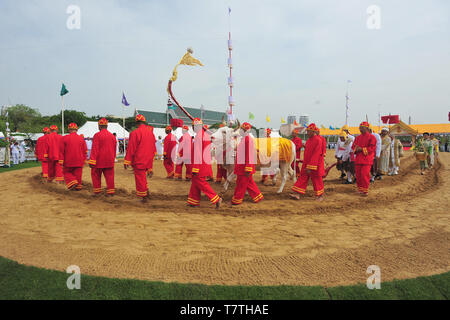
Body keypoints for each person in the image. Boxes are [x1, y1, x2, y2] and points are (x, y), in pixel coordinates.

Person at [187, 118, 222, 208]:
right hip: (204, 163)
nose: (193, 127)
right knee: (195, 182)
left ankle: (216, 198)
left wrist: (195, 167)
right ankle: (193, 201)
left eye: (193, 126)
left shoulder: (199, 136)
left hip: (199, 164)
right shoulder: (204, 135)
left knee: (200, 182)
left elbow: (197, 153)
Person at [124, 114, 156, 202]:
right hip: (148, 159)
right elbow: (153, 147)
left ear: (137, 123)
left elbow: (131, 148)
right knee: (143, 178)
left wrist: (127, 161)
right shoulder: (151, 133)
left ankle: (144, 196)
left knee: (140, 178)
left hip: (139, 159)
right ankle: (146, 191)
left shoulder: (135, 133)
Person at [289, 123, 325, 201]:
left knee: (317, 179)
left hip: (316, 164)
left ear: (313, 132)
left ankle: (320, 196)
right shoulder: (308, 140)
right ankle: (297, 193)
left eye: (308, 131)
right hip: (307, 163)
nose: (307, 133)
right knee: (302, 177)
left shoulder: (318, 140)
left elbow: (316, 154)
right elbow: (307, 153)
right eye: (307, 131)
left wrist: (311, 167)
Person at [232, 122, 264, 205]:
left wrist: (248, 169)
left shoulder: (248, 140)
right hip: (241, 166)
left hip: (244, 168)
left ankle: (237, 200)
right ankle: (258, 196)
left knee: (241, 184)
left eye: (242, 130)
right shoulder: (244, 139)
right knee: (249, 183)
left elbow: (249, 155)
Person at [88, 118, 117, 196]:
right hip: (109, 160)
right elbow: (114, 149)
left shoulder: (97, 135)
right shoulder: (112, 136)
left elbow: (95, 149)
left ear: (99, 126)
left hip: (99, 160)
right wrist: (113, 158)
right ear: (107, 126)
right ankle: (111, 192)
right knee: (110, 176)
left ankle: (97, 192)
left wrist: (92, 161)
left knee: (95, 175)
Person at [352, 122, 377, 196]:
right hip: (358, 159)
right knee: (358, 175)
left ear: (367, 128)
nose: (360, 129)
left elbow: (372, 148)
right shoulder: (357, 137)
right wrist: (356, 149)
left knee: (364, 174)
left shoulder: (372, 137)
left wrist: (362, 149)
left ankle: (365, 190)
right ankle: (360, 189)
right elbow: (353, 147)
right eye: (360, 127)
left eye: (362, 127)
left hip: (367, 159)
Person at [60, 123, 87, 190]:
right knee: (78, 175)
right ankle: (78, 188)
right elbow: (85, 151)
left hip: (68, 160)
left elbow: (61, 151)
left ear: (69, 130)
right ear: (77, 130)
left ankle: (73, 182)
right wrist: (84, 160)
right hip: (79, 160)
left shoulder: (64, 138)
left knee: (66, 172)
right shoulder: (81, 139)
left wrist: (61, 161)